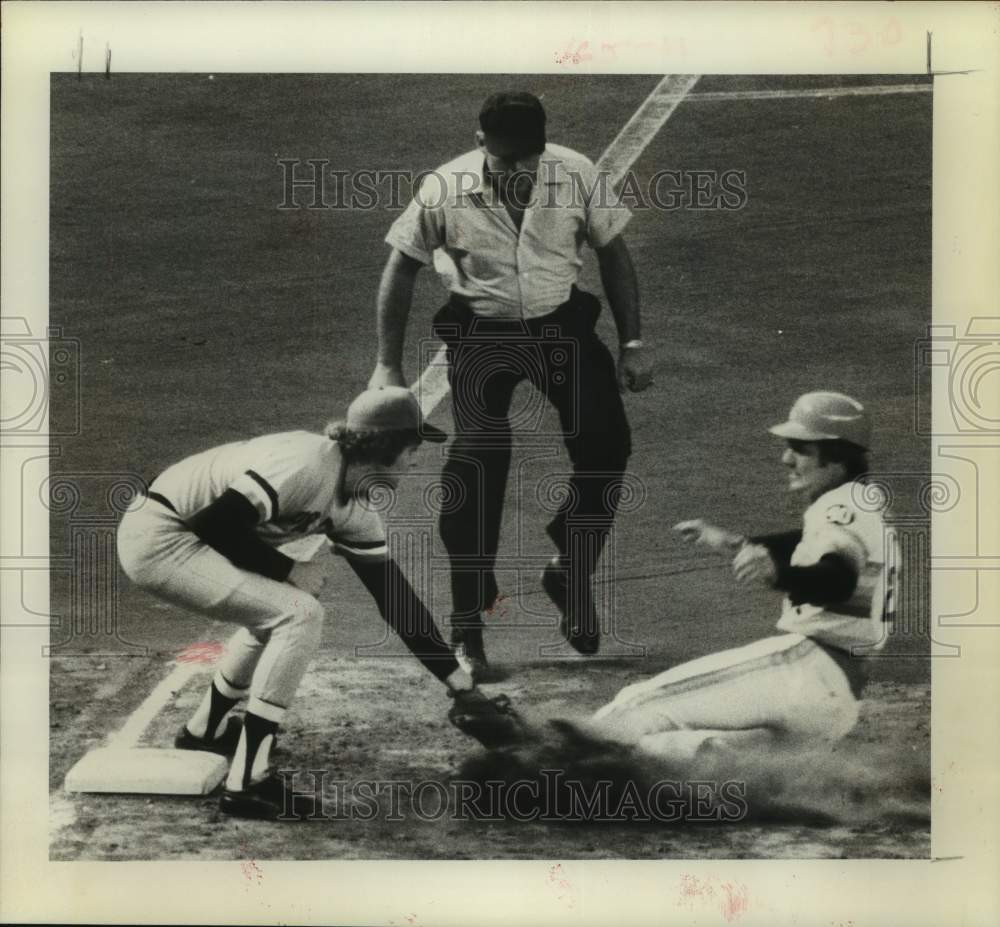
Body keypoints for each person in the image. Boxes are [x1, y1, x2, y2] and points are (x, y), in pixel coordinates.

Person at [117, 386, 510, 820]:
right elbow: (214, 524)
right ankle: (248, 783)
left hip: (190, 538)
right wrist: (288, 570)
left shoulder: (356, 507)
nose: (415, 461)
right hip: (160, 535)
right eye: (412, 449)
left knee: (281, 610)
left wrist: (462, 689)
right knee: (299, 614)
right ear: (384, 447)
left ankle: (205, 731)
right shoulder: (304, 463)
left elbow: (396, 601)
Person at [369, 90, 653, 678]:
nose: (521, 174)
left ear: (543, 146)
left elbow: (614, 257)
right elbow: (400, 268)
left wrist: (630, 344)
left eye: (530, 159)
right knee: (474, 467)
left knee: (607, 446)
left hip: (561, 327)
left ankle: (569, 570)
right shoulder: (443, 188)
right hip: (482, 334)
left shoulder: (575, 173)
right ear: (480, 145)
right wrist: (387, 366)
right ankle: (468, 623)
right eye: (506, 162)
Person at [578, 390, 898, 762]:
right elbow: (809, 545)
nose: (786, 458)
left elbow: (838, 579)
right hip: (835, 704)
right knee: (669, 756)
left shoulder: (838, 507)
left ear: (836, 456)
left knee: (637, 705)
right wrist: (736, 542)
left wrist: (780, 575)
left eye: (800, 448)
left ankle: (538, 766)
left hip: (807, 671)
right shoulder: (865, 504)